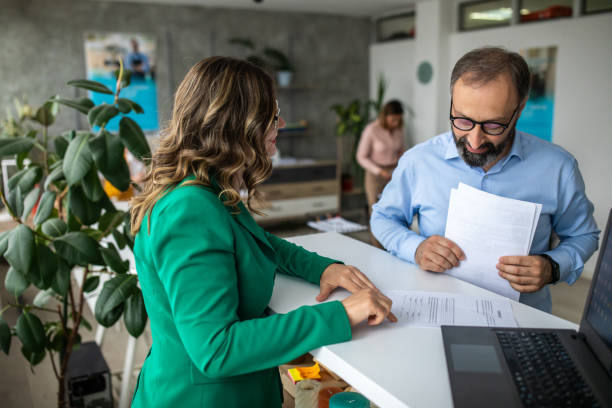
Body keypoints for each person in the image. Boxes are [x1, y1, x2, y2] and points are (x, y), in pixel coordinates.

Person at [129, 56, 396, 407]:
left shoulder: (207, 186)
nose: (281, 123)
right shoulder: (190, 210)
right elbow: (217, 349)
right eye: (271, 116)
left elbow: (258, 241)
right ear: (237, 125)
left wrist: (324, 268)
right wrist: (342, 314)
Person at [371, 47, 599, 313]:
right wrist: (416, 248)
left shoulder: (559, 167)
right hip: (434, 313)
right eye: (462, 120)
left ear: (520, 109)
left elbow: (583, 235)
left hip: (523, 319)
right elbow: (382, 218)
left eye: (493, 125)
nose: (475, 141)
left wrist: (553, 266)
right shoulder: (419, 161)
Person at [356, 99, 405, 247]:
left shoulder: (399, 129)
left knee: (396, 209)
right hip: (375, 174)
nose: (396, 123)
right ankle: (376, 246)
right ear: (385, 116)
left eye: (399, 120)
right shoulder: (371, 130)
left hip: (394, 172)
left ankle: (394, 245)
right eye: (393, 119)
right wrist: (379, 171)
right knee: (376, 211)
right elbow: (361, 157)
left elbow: (401, 150)